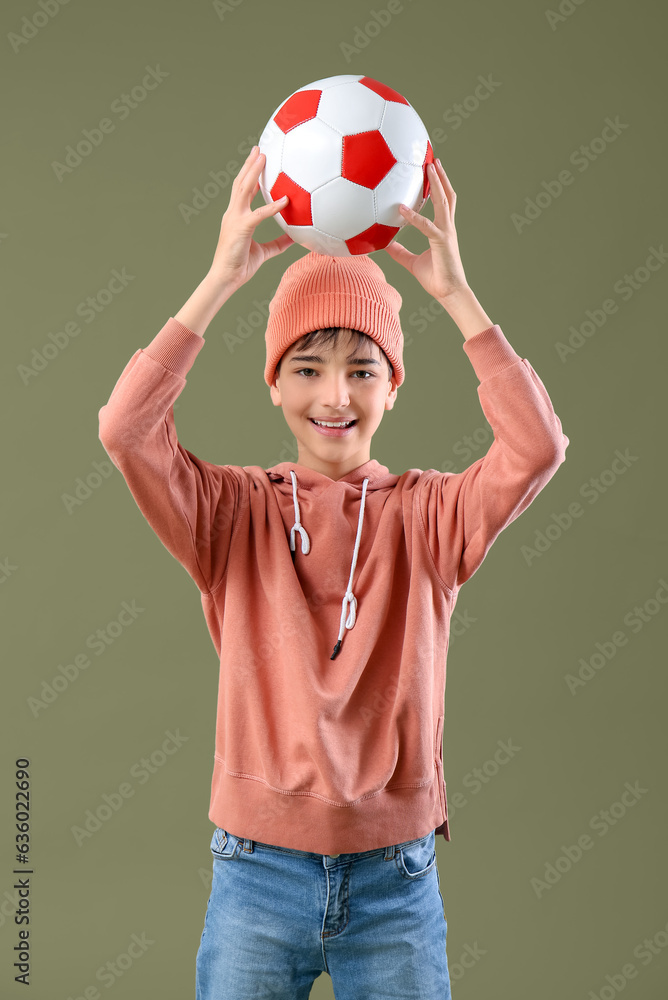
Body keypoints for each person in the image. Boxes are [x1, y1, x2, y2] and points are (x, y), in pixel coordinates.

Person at [98, 146, 569, 999]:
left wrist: (456, 297)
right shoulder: (230, 514)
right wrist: (219, 282)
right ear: (274, 384)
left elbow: (537, 448)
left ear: (394, 385)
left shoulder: (430, 516)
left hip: (395, 881)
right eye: (308, 369)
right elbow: (126, 431)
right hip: (255, 876)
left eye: (363, 369)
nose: (336, 395)